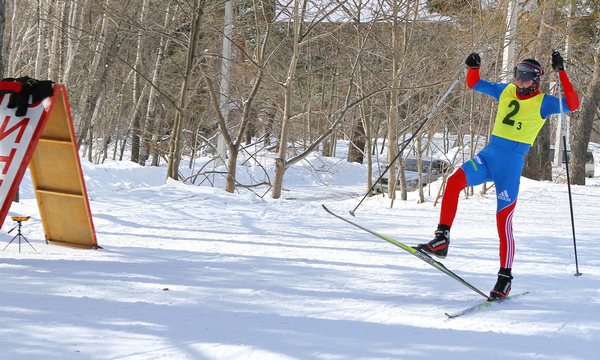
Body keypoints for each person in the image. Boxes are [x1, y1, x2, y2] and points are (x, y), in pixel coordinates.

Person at [416, 50, 580, 299]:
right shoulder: (505, 91)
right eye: (518, 74)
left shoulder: (544, 102)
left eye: (526, 76)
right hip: (488, 157)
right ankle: (442, 238)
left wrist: (562, 72)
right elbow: (474, 84)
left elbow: (574, 105)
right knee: (454, 182)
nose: (520, 80)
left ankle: (505, 277)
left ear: (536, 79)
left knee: (503, 223)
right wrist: (474, 67)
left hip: (510, 166)